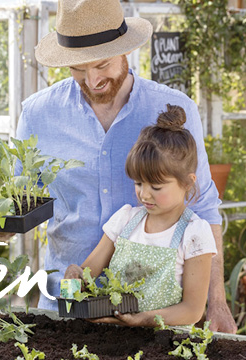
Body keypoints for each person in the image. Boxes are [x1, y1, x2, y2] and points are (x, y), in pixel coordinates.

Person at [15, 0, 237, 332]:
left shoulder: (174, 109)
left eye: (102, 65)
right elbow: (19, 201)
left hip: (155, 320)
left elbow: (204, 208)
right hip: (68, 309)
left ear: (125, 52)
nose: (91, 81)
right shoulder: (37, 114)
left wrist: (217, 303)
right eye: (77, 69)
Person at [64, 105, 216, 326]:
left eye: (156, 186)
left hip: (168, 343)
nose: (144, 194)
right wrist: (75, 275)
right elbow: (88, 275)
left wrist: (143, 319)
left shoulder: (194, 233)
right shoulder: (126, 220)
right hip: (117, 338)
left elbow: (192, 310)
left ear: (188, 182)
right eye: (138, 183)